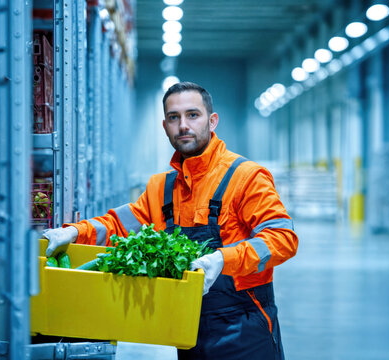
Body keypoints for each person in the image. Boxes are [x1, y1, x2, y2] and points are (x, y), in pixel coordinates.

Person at [43, 81, 298, 359]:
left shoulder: (246, 176)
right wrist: (72, 233)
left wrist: (223, 260)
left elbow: (282, 238)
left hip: (246, 327)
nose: (183, 126)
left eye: (193, 115)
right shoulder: (161, 188)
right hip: (187, 329)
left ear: (212, 121)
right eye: (174, 118)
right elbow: (118, 225)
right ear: (165, 127)